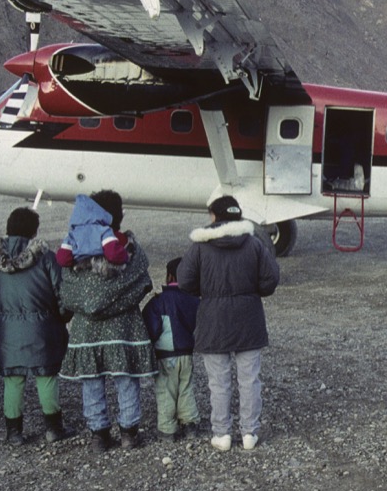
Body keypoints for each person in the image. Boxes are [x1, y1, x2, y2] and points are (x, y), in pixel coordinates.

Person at [178, 195, 280, 452]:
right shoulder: (254, 244)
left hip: (214, 320)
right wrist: (251, 291)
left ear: (214, 216)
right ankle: (249, 433)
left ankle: (222, 434)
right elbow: (270, 279)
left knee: (219, 382)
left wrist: (208, 292)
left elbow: (184, 281)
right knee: (250, 380)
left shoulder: (200, 247)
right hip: (249, 318)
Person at [58, 192, 156, 452]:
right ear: (118, 215)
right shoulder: (126, 245)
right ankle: (128, 434)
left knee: (91, 381)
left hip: (85, 330)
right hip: (123, 328)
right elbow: (143, 283)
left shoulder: (75, 246)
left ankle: (98, 436)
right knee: (126, 379)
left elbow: (66, 288)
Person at [0, 207, 71, 445]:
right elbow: (63, 294)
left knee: (12, 379)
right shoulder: (46, 258)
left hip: (7, 332)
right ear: (33, 231)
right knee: (46, 376)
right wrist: (61, 317)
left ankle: (14, 432)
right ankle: (53, 429)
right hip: (44, 330)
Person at [142, 257, 201, 442]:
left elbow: (151, 328)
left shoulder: (158, 301)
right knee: (186, 387)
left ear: (169, 276)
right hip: (187, 353)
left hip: (165, 354)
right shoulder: (194, 300)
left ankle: (168, 429)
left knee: (166, 390)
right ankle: (190, 424)